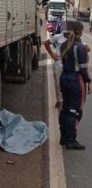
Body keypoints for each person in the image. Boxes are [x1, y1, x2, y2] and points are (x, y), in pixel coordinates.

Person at [59, 21, 92, 150]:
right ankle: (71, 140)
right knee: (75, 111)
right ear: (81, 31)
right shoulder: (80, 47)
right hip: (75, 81)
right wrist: (89, 81)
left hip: (64, 78)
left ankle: (63, 137)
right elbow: (83, 70)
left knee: (66, 108)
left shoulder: (63, 45)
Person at [44, 26, 70, 110]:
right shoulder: (58, 37)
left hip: (69, 66)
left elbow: (86, 48)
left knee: (68, 85)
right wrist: (52, 54)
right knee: (58, 84)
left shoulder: (74, 38)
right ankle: (59, 101)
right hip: (59, 64)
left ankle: (67, 101)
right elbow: (46, 43)